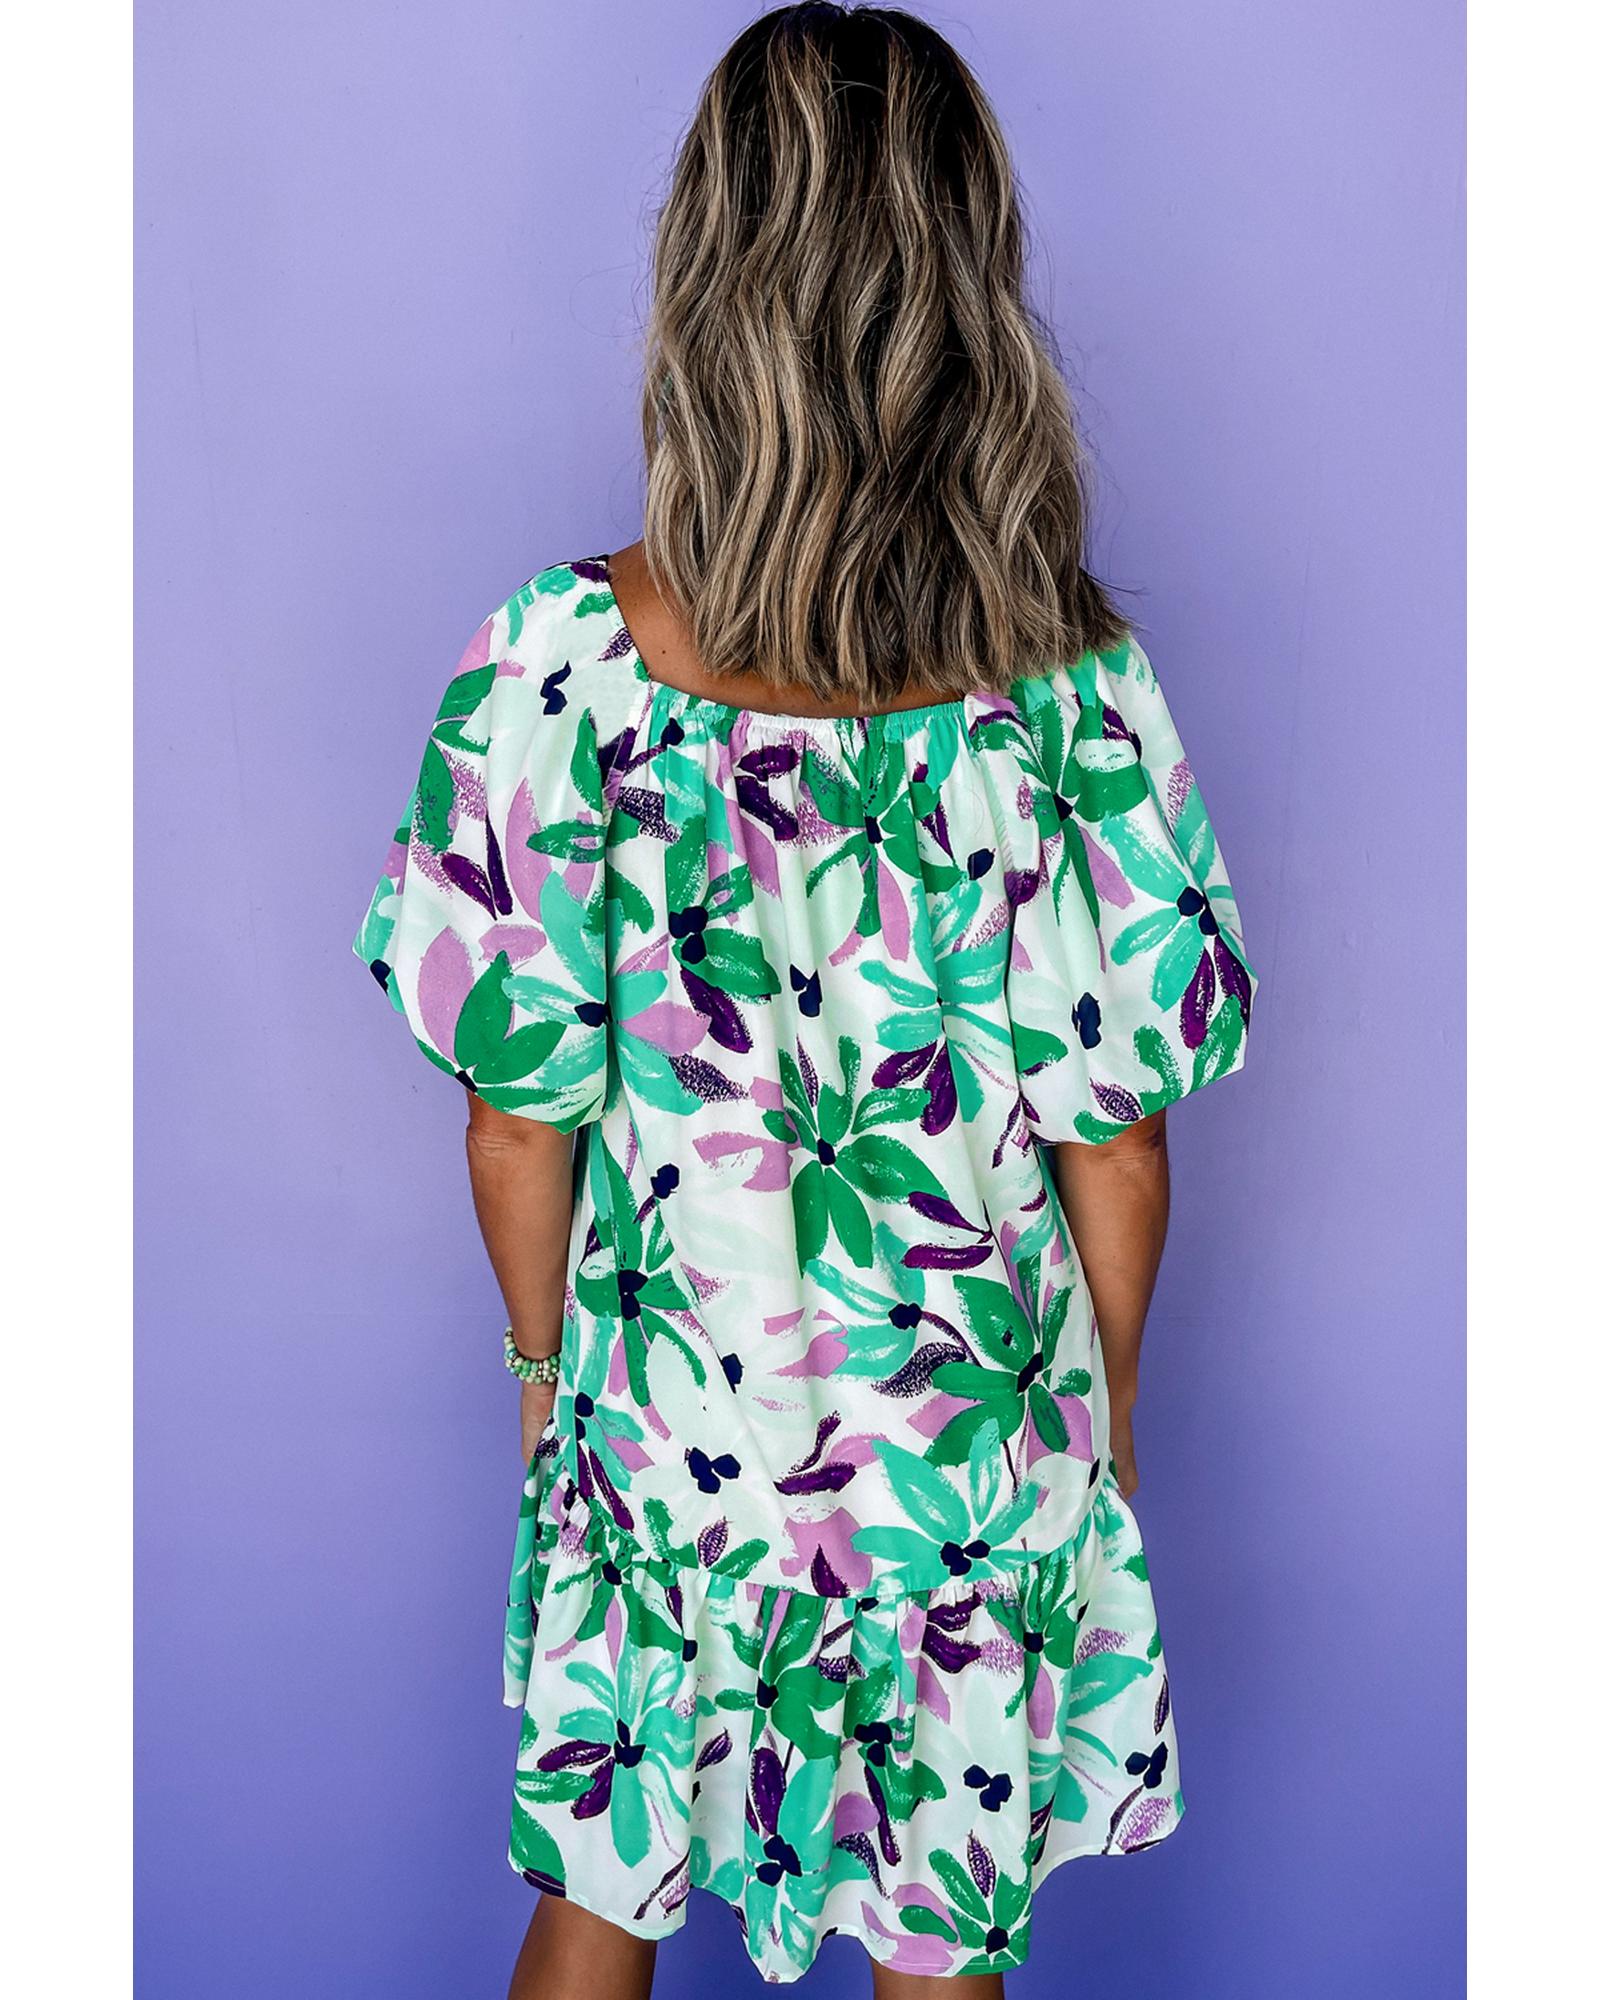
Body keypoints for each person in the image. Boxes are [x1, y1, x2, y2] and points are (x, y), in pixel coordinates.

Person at [354, 6, 1256, 1993]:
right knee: (944, 1929)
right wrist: (1095, 1411)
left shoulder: (556, 667)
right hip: (971, 1434)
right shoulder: (1073, 694)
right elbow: (1118, 1139)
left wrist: (543, 1378)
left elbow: (515, 1111)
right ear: (971, 294)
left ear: (705, 280)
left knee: (598, 1889)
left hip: (673, 1426)